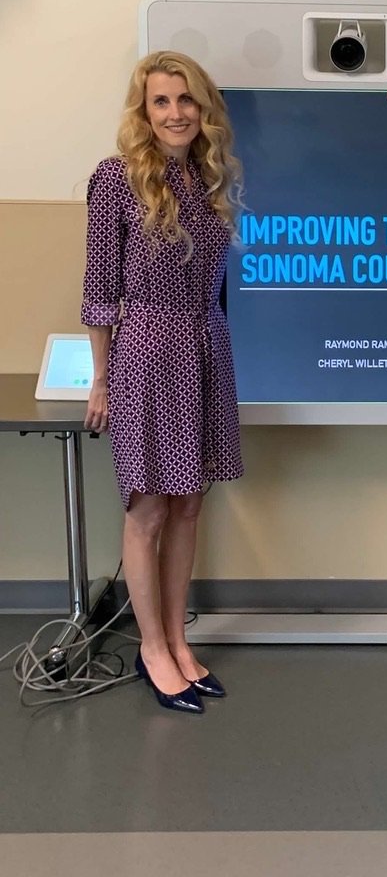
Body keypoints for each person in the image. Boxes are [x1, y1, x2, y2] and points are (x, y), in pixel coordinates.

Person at [83, 51, 244, 714]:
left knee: (189, 502)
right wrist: (101, 381)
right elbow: (99, 289)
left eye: (186, 100)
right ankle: (152, 648)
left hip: (207, 344)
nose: (176, 113)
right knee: (149, 506)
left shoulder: (210, 180)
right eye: (161, 102)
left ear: (202, 109)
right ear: (143, 112)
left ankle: (178, 640)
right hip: (148, 351)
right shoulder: (116, 180)